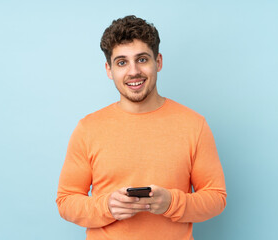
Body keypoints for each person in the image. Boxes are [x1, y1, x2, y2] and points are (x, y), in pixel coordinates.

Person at [56, 15, 227, 240]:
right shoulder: (88, 129)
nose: (133, 71)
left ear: (159, 61)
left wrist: (172, 203)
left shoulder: (193, 124)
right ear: (109, 70)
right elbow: (66, 200)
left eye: (142, 59)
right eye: (122, 62)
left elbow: (216, 198)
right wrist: (106, 207)